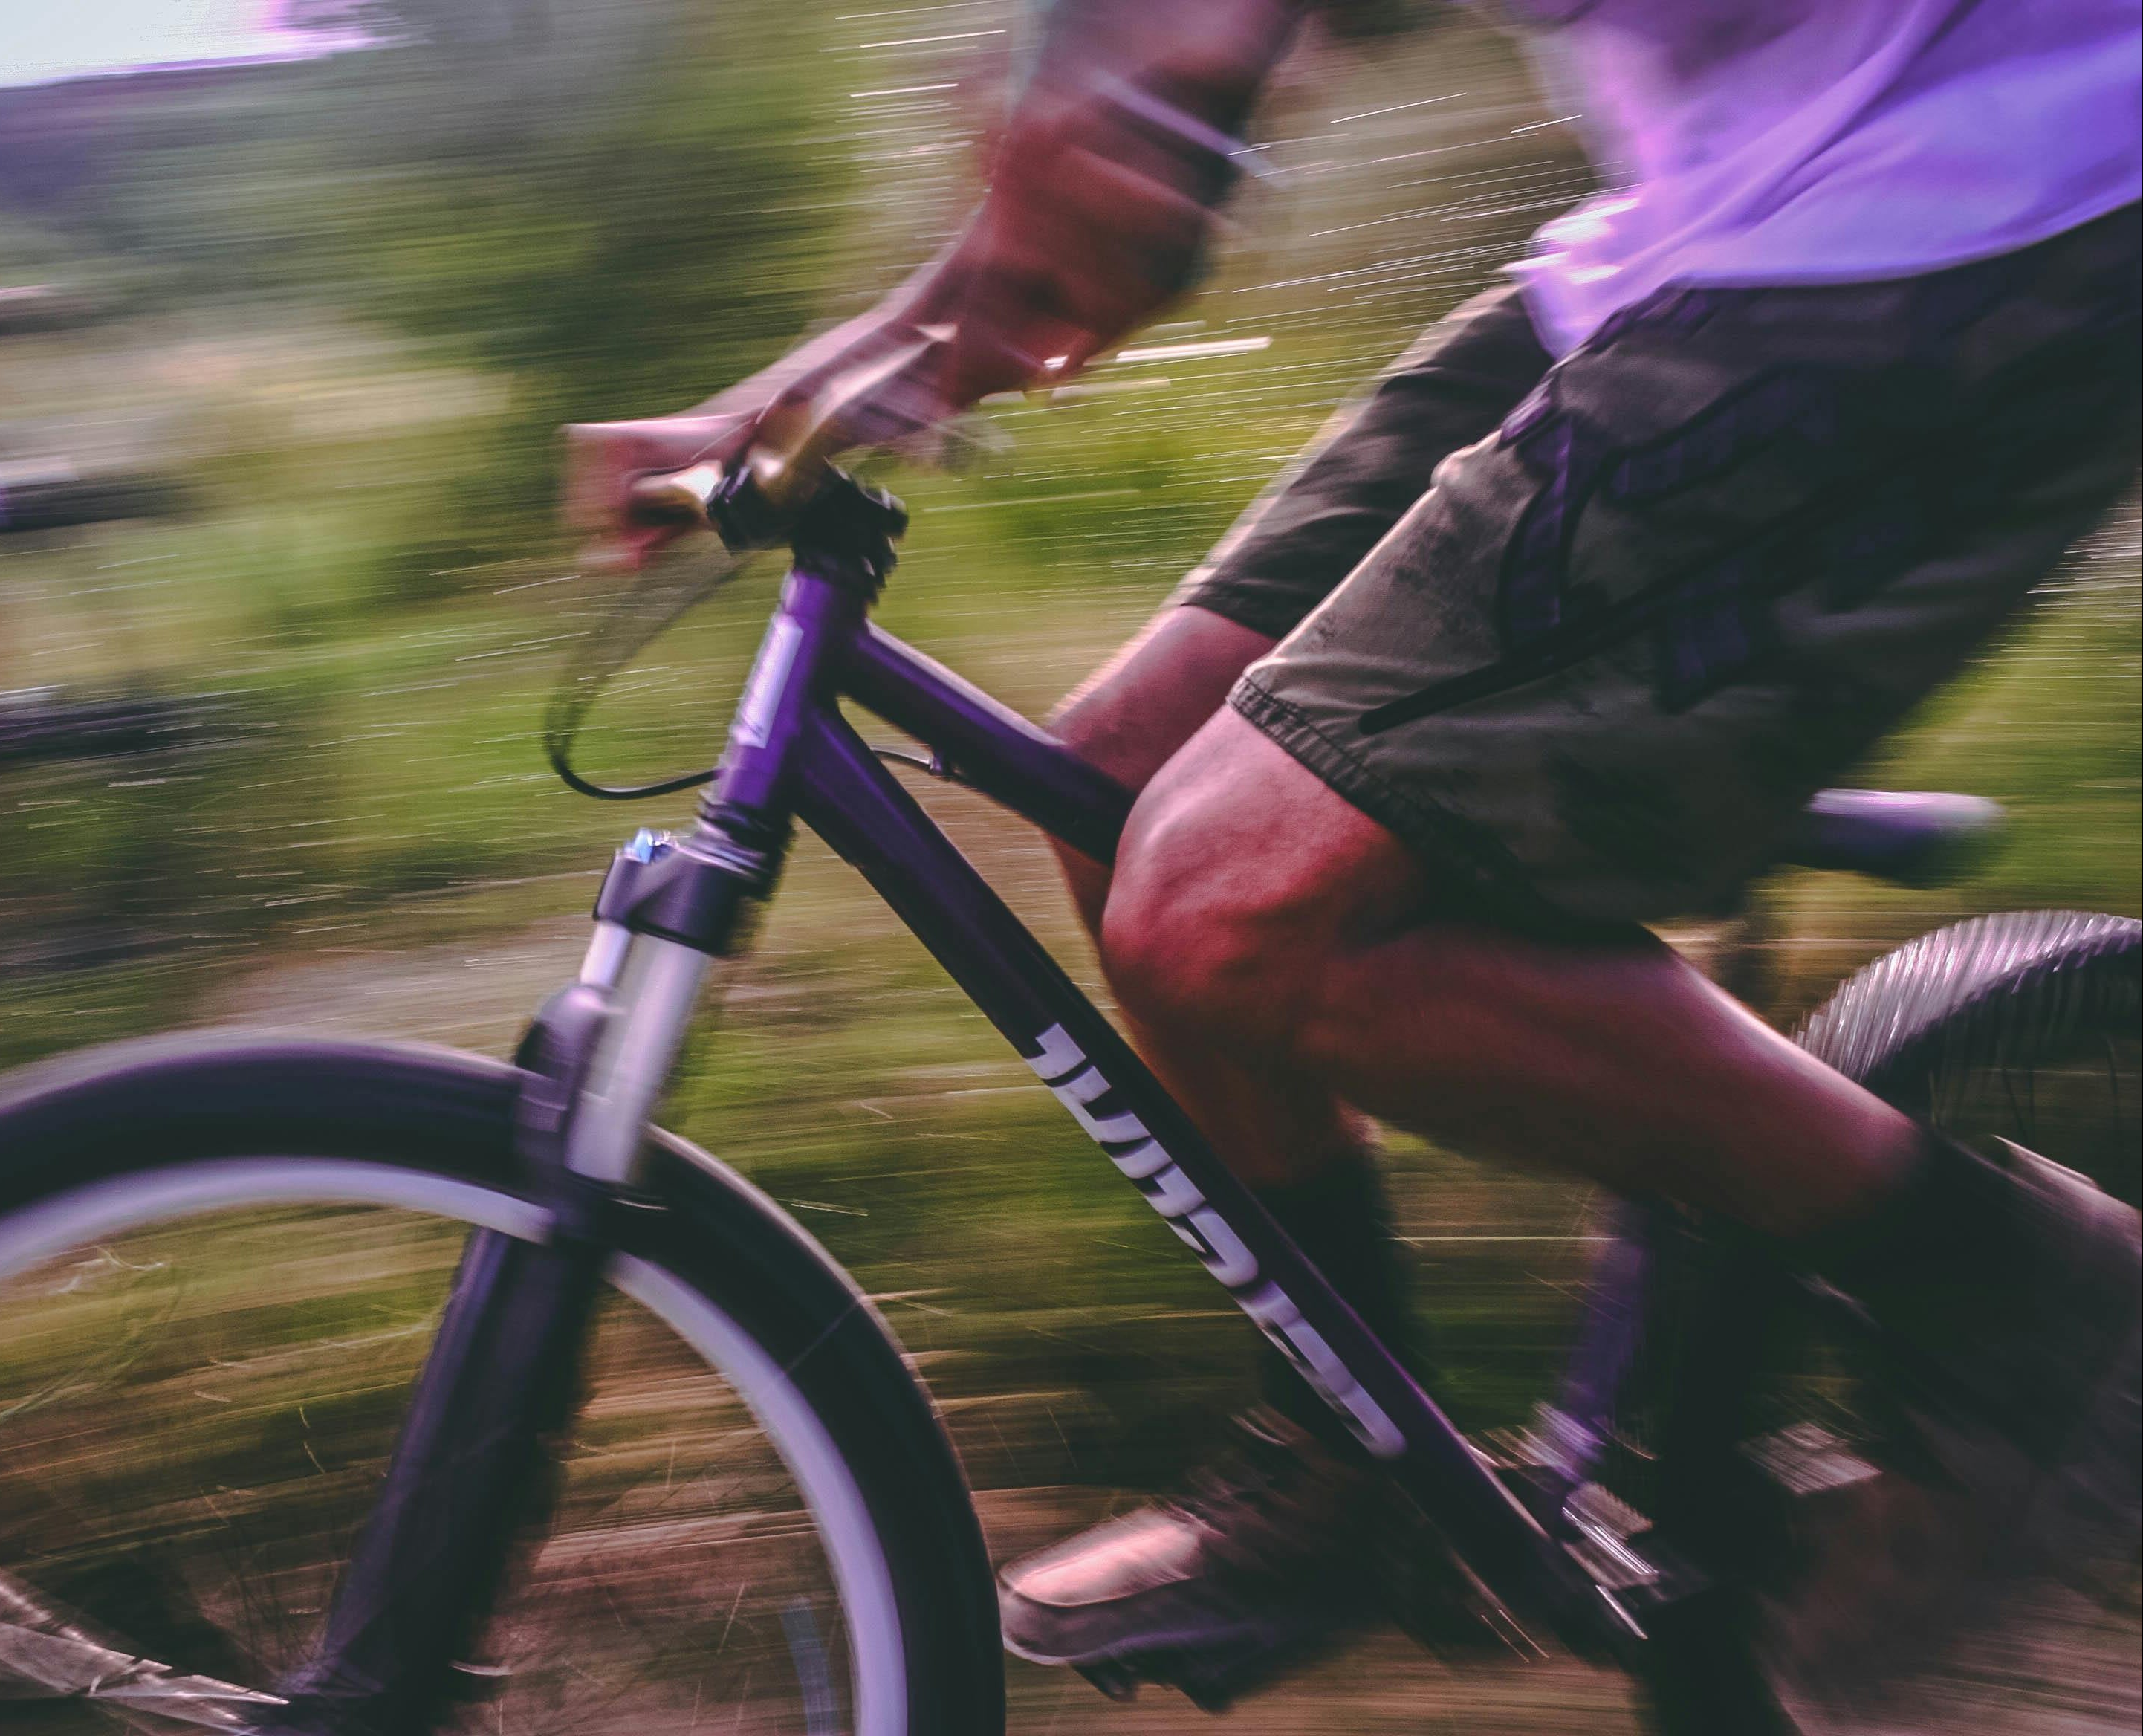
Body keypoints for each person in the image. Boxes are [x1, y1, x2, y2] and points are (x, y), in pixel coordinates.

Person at [569, 0, 2143, 1703]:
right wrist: (852, 371)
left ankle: (2062, 1314)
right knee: (1115, 776)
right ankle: (1362, 1456)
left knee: (1229, 906)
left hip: (2013, 191)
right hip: (1722, 217)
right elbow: (1143, 126)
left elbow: (1168, 76)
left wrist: (1137, 88)